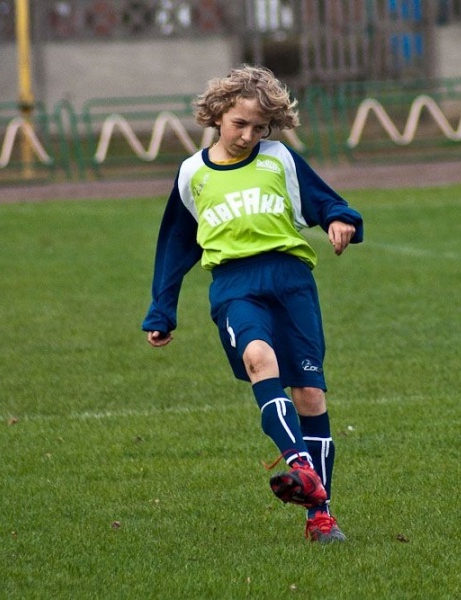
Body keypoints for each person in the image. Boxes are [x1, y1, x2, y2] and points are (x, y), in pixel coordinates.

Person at [141, 65, 363, 543]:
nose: (247, 135)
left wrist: (340, 220)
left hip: (291, 281)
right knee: (258, 358)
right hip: (234, 285)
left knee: (310, 396)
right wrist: (162, 309)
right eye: (239, 123)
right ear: (217, 114)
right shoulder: (192, 173)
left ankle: (319, 517)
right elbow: (176, 244)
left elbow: (326, 202)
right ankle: (302, 466)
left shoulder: (278, 159)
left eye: (258, 127)